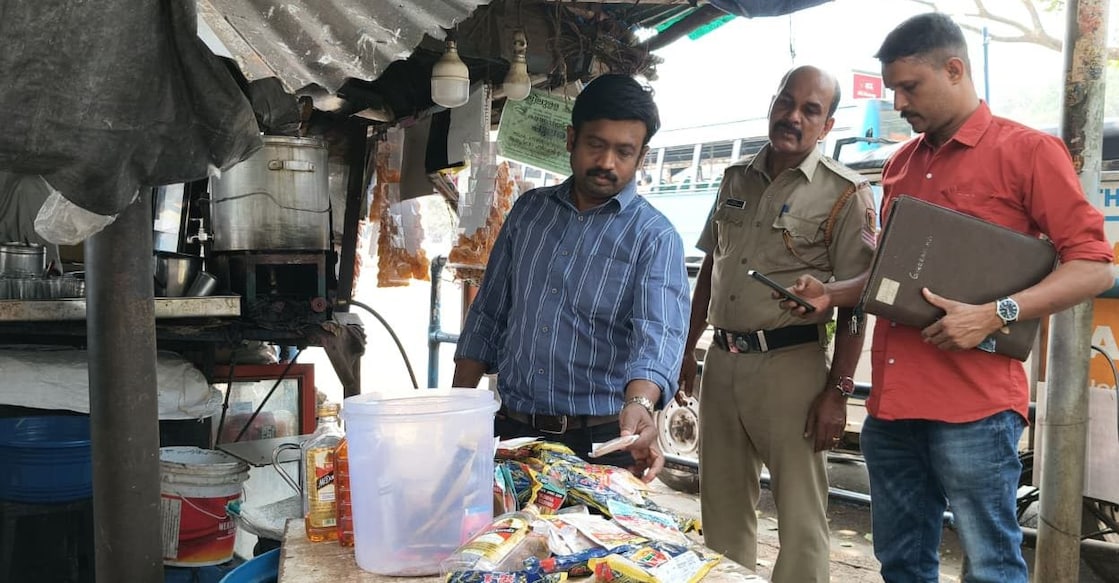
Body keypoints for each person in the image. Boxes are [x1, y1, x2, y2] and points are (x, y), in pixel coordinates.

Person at [784, 13, 1114, 582]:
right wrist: (831, 294)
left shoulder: (1029, 151)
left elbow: (1092, 264)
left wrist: (995, 313)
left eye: (910, 87)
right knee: (902, 563)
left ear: (955, 69)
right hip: (892, 408)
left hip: (975, 408)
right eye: (893, 90)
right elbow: (892, 276)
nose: (900, 102)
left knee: (990, 565)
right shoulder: (900, 164)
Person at [677, 65, 877, 582]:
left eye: (810, 110)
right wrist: (687, 349)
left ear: (827, 125)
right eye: (785, 102)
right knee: (720, 510)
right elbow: (710, 272)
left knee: (801, 518)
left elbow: (859, 300)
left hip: (793, 369)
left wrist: (838, 391)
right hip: (721, 361)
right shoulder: (735, 178)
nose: (792, 116)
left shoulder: (845, 194)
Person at [452, 74, 689, 483]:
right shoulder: (529, 213)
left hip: (602, 443)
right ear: (571, 139)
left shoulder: (655, 237)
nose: (607, 163)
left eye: (624, 151)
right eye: (596, 145)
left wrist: (640, 403)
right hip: (512, 433)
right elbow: (488, 313)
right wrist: (454, 409)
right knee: (497, 544)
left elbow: (658, 337)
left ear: (642, 157)